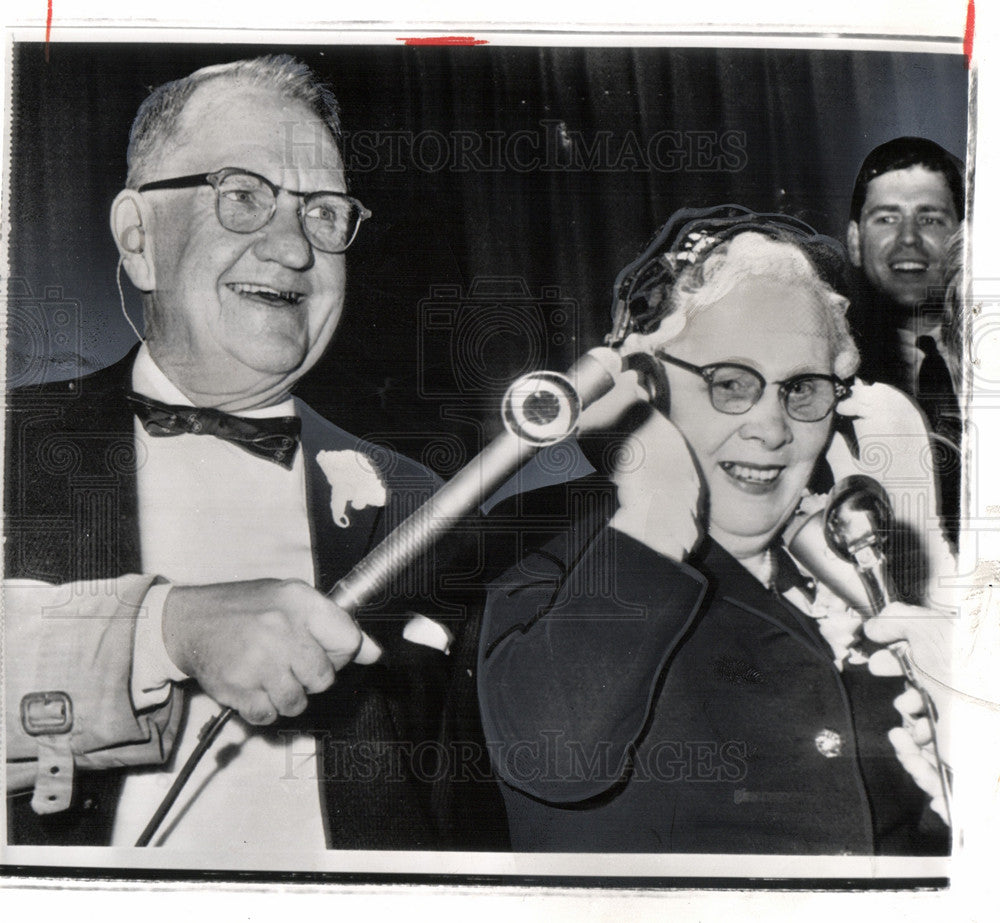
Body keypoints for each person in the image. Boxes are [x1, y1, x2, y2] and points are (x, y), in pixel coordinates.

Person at [4, 56, 497, 851]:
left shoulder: (417, 501)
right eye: (243, 197)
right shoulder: (10, 445)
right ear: (139, 237)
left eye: (324, 213)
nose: (294, 250)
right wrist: (167, 628)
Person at [477, 207, 951, 854]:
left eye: (804, 388)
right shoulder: (545, 558)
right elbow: (553, 753)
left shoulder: (861, 573)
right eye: (731, 383)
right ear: (646, 384)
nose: (773, 427)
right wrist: (654, 515)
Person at [845, 137, 965, 536]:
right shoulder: (832, 375)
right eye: (887, 218)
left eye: (930, 219)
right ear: (855, 242)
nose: (909, 239)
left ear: (964, 238)